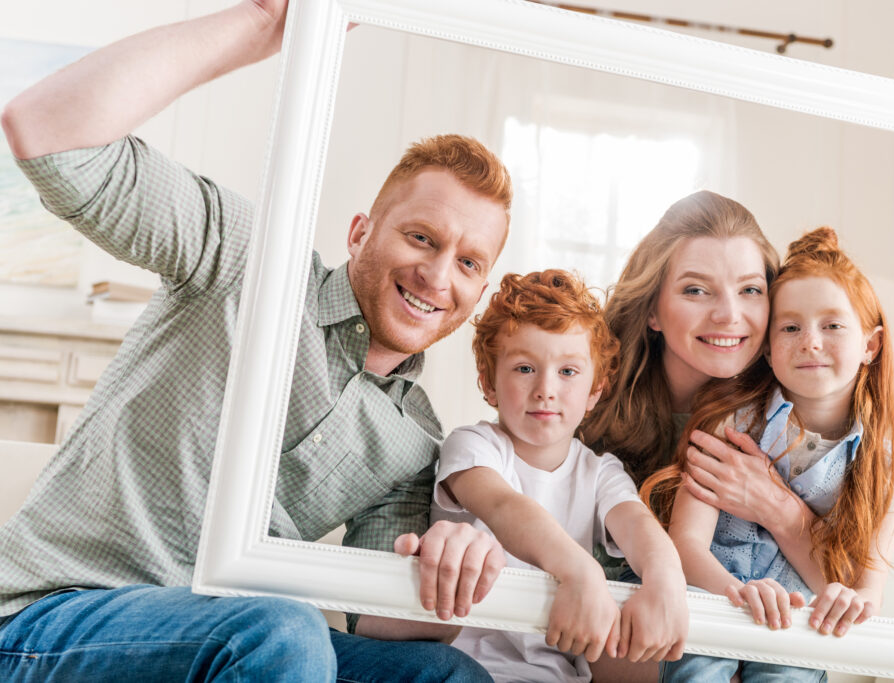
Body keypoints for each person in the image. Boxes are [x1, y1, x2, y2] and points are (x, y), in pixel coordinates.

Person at [0, 1, 511, 681]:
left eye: (469, 262)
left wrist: (458, 565)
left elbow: (379, 618)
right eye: (422, 237)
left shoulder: (413, 439)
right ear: (360, 232)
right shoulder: (246, 255)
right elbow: (47, 131)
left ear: (478, 291)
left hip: (231, 641)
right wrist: (264, 21)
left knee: (446, 676)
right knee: (281, 627)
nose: (438, 273)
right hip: (55, 617)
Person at [644, 226, 894, 681]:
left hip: (796, 629)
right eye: (790, 327)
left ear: (870, 345)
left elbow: (869, 592)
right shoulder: (731, 423)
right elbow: (685, 543)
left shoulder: (888, 469)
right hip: (713, 603)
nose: (810, 341)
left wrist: (851, 601)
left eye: (832, 325)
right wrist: (734, 594)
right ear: (767, 350)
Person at [578, 190, 819, 683]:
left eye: (750, 290)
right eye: (696, 290)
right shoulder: (585, 405)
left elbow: (846, 585)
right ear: (653, 311)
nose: (729, 315)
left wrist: (775, 505)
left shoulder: (789, 418)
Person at [430, 270, 688, 682]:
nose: (545, 389)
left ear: (594, 392)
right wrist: (579, 570)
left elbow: (638, 524)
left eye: (568, 372)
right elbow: (502, 506)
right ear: (489, 383)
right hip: (467, 668)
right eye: (524, 369)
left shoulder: (601, 472)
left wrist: (666, 578)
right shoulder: (474, 446)